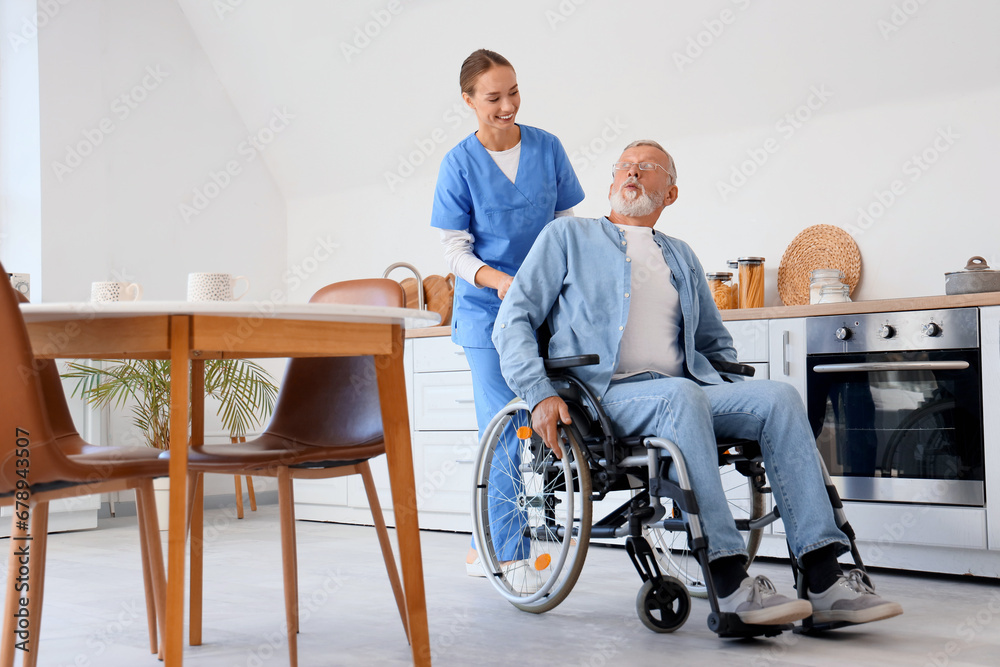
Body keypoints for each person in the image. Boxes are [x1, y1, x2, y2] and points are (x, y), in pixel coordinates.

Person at [492, 139, 904, 628]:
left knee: (778, 397)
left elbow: (713, 342)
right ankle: (730, 582)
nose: (632, 174)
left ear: (671, 193)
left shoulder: (681, 255)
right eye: (624, 166)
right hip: (603, 397)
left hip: (684, 391)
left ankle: (823, 575)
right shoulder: (567, 237)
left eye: (646, 169)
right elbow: (511, 321)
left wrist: (734, 390)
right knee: (682, 394)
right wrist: (539, 393)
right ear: (611, 182)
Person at [430, 49, 585, 575]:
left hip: (548, 312)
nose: (507, 105)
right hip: (485, 316)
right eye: (494, 97)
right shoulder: (458, 164)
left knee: (551, 425)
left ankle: (495, 539)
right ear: (469, 101)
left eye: (513, 92)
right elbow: (454, 250)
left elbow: (567, 224)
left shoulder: (547, 147)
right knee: (503, 433)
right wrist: (502, 282)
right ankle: (505, 554)